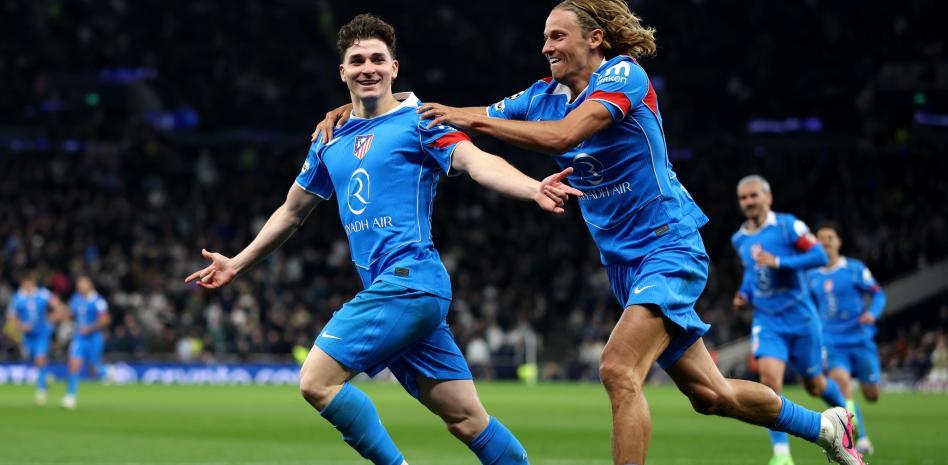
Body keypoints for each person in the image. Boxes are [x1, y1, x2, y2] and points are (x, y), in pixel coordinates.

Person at [315, 2, 862, 465]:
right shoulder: (542, 93)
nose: (547, 47)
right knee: (710, 394)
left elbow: (563, 135)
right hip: (625, 265)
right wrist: (366, 111)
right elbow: (470, 112)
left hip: (669, 246)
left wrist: (464, 120)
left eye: (558, 36)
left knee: (617, 369)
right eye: (544, 38)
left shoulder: (623, 77)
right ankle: (824, 429)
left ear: (594, 39)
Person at [186, 13, 582, 465]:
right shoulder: (328, 139)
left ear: (395, 67)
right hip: (402, 293)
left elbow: (475, 161)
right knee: (467, 420)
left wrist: (534, 188)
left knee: (316, 381)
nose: (368, 68)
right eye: (357, 60)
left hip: (409, 280)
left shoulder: (421, 121)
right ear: (343, 72)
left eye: (378, 58)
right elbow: (292, 212)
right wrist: (236, 263)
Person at [732, 175, 854, 465]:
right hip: (767, 320)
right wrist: (744, 293)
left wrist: (780, 262)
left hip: (801, 319)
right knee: (770, 381)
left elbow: (818, 256)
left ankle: (848, 416)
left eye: (754, 196)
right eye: (743, 198)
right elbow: (752, 272)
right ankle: (782, 454)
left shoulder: (789, 226)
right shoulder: (739, 238)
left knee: (814, 384)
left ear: (768, 197)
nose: (749, 202)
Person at [808, 222, 886, 455]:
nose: (824, 242)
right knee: (841, 384)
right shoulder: (812, 276)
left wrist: (873, 313)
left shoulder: (854, 269)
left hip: (860, 339)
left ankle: (855, 417)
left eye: (829, 237)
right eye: (820, 238)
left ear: (838, 242)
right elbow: (810, 306)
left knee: (872, 395)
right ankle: (858, 436)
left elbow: (878, 293)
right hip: (832, 342)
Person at [8, 273, 63, 405]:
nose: (27, 285)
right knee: (36, 361)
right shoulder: (17, 298)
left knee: (39, 358)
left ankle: (41, 390)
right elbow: (12, 318)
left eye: (29, 283)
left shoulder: (43, 294)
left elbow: (57, 305)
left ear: (33, 283)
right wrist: (20, 326)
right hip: (27, 336)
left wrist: (53, 317)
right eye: (25, 283)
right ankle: (45, 379)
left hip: (42, 333)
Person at [61, 275, 111, 410]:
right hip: (80, 338)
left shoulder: (98, 301)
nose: (79, 286)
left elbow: (105, 320)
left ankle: (106, 372)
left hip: (94, 338)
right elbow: (69, 313)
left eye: (82, 283)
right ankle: (70, 396)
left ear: (90, 285)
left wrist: (89, 328)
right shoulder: (76, 299)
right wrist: (63, 316)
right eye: (79, 283)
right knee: (73, 364)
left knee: (93, 368)